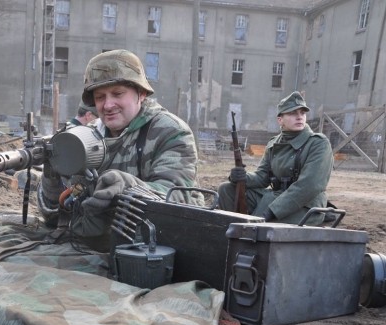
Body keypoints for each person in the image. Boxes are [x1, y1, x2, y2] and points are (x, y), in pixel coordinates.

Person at [38, 49, 202, 249]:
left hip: (153, 249)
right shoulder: (87, 138)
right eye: (99, 97)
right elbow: (55, 216)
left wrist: (127, 187)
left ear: (140, 94)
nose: (107, 105)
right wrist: (52, 175)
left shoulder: (170, 133)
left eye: (117, 94)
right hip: (94, 245)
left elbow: (176, 199)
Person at [217, 91, 333, 225]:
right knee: (226, 189)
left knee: (257, 223)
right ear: (280, 120)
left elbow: (309, 186)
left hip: (304, 204)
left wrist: (271, 211)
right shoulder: (274, 143)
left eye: (302, 113)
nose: (299, 117)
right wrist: (240, 177)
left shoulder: (318, 143)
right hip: (277, 196)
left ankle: (246, 234)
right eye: (292, 113)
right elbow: (262, 177)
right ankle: (229, 233)